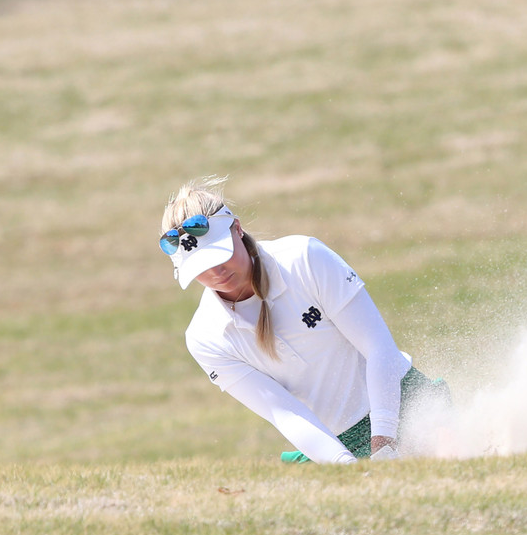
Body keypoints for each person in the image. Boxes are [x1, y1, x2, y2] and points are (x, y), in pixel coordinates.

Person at [159, 176, 447, 464]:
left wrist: (384, 443)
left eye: (221, 255)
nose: (217, 273)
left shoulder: (305, 258)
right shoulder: (205, 337)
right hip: (334, 443)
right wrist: (346, 466)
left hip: (405, 401)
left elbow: (377, 346)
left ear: (237, 228)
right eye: (202, 267)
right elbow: (282, 411)